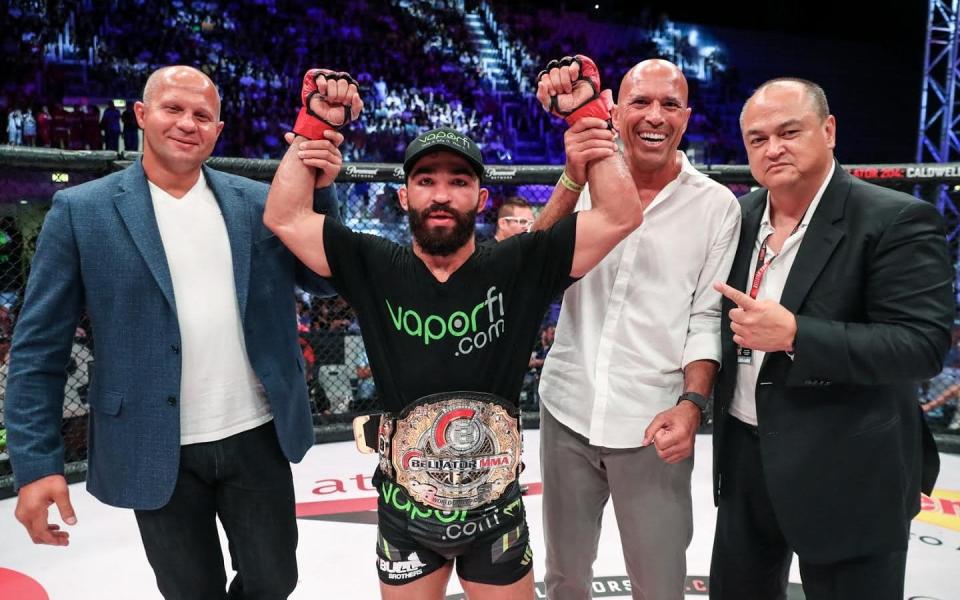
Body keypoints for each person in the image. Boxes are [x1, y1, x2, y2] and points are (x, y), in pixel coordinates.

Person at [264, 66, 643, 599]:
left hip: (495, 512)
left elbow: (622, 214)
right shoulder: (373, 262)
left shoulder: (519, 264)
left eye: (459, 182)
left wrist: (588, 120)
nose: (441, 195)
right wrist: (313, 128)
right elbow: (284, 216)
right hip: (405, 509)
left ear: (481, 199)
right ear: (403, 197)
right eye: (426, 181)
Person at [6, 65, 343, 599]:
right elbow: (37, 351)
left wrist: (319, 195)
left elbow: (326, 279)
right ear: (142, 115)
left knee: (275, 578)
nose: (188, 123)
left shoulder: (258, 202)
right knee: (190, 590)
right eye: (173, 109)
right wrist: (35, 465)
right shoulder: (82, 212)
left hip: (255, 431)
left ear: (218, 130)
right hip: (153, 442)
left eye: (202, 115)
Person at [709, 78, 953, 600]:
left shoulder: (895, 218)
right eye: (757, 139)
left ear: (829, 129)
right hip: (746, 458)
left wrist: (796, 334)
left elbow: (923, 345)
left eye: (789, 131)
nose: (773, 148)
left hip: (851, 465)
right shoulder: (742, 215)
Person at [532, 56, 741, 600]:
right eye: (641, 102)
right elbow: (531, 270)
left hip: (655, 424)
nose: (655, 116)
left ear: (687, 117)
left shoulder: (717, 207)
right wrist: (571, 180)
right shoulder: (587, 179)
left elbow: (705, 317)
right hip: (568, 409)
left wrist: (692, 405)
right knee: (564, 579)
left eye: (669, 104)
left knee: (660, 585)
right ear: (617, 110)